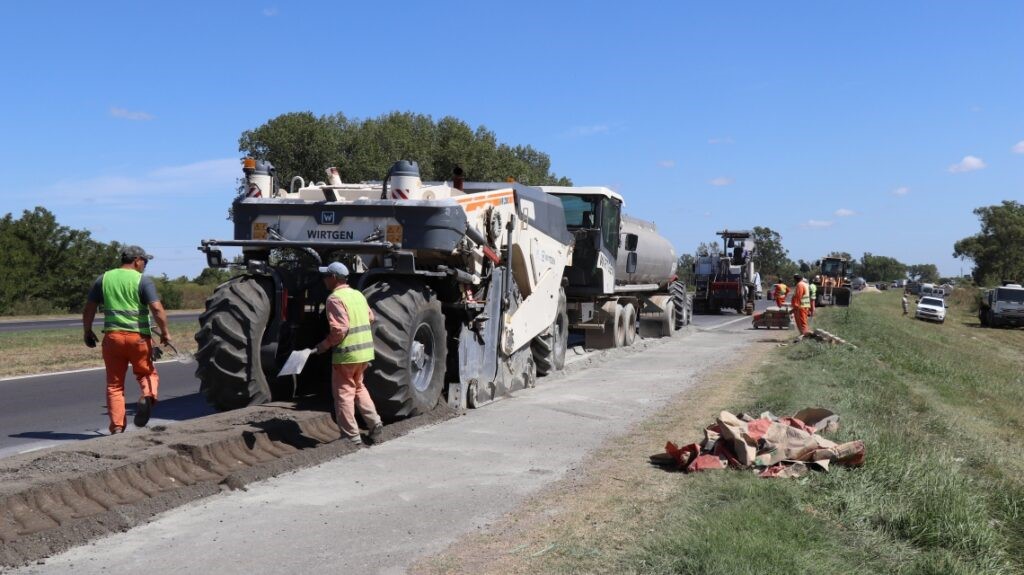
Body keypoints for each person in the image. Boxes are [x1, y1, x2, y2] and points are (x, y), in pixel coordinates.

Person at [82, 245, 170, 434]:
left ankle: (116, 428)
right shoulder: (142, 281)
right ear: (137, 260)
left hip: (112, 339)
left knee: (114, 385)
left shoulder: (103, 279)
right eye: (144, 261)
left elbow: (89, 308)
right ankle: (147, 396)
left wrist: (87, 331)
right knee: (147, 374)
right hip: (138, 339)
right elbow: (156, 309)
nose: (145, 265)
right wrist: (165, 332)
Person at [314, 262, 384, 445]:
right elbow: (370, 317)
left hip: (346, 355)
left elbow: (340, 330)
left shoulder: (334, 299)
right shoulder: (358, 294)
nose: (324, 280)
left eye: (326, 276)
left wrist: (324, 345)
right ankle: (375, 423)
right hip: (364, 353)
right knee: (359, 388)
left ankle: (351, 437)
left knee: (344, 394)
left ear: (334, 278)